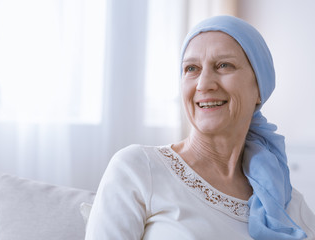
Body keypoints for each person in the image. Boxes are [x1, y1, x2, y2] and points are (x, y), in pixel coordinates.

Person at [85, 15, 315, 240]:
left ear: (259, 88)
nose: (204, 84)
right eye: (191, 69)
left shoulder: (287, 202)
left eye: (224, 65)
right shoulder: (137, 168)